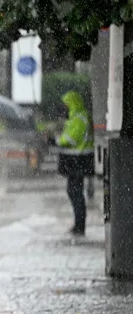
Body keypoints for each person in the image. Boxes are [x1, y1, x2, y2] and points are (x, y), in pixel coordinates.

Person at [56, 91, 94, 236]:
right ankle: (78, 224)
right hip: (76, 161)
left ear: (72, 103)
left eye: (66, 104)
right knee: (74, 192)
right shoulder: (75, 117)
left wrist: (57, 140)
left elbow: (71, 139)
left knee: (75, 192)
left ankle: (80, 225)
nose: (64, 107)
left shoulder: (79, 118)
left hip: (78, 161)